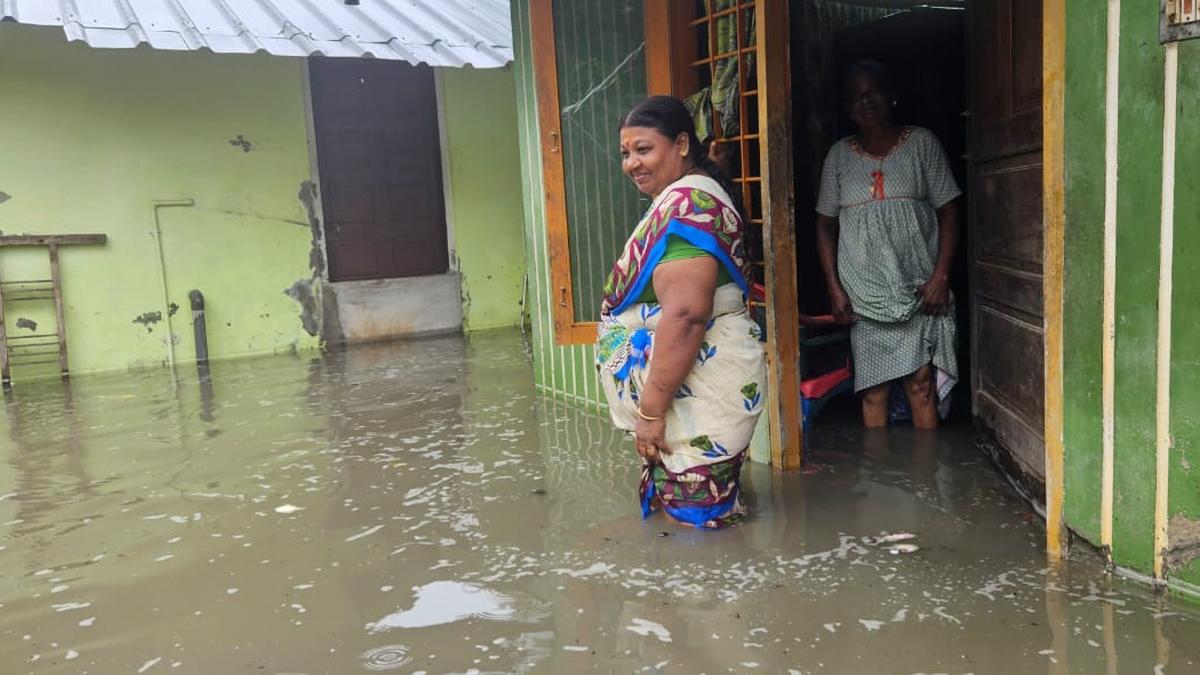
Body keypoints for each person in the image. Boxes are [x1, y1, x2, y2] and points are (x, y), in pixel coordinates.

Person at [596, 96, 766, 529]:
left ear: (682, 144)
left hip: (696, 390)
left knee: (697, 525)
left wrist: (650, 415)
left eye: (644, 149)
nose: (632, 163)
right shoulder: (684, 200)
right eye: (625, 153)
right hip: (690, 390)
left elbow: (687, 315)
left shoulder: (687, 208)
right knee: (698, 517)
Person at [814, 61, 962, 430]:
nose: (866, 102)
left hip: (918, 288)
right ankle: (878, 477)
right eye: (856, 97)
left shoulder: (922, 144)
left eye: (873, 93)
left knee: (921, 384)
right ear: (848, 109)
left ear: (892, 97)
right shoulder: (838, 156)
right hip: (864, 294)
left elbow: (950, 212)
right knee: (873, 391)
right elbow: (825, 224)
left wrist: (941, 277)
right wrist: (834, 288)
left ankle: (925, 479)